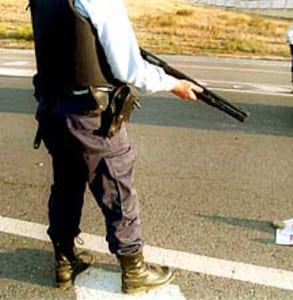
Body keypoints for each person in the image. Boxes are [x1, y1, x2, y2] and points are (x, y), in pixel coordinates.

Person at [28, 0, 202, 295]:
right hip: (90, 116)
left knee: (66, 186)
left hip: (53, 110)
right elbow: (129, 69)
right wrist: (175, 85)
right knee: (117, 188)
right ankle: (133, 269)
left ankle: (65, 260)